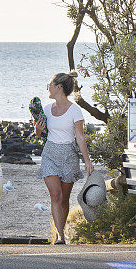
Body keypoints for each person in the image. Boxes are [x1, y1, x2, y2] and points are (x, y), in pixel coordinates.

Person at [33, 71, 94, 244]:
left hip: (69, 156)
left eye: (50, 85)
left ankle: (60, 229)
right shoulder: (46, 109)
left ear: (59, 87)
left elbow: (80, 138)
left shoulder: (75, 110)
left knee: (64, 199)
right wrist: (37, 130)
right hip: (50, 154)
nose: (48, 88)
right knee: (56, 196)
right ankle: (60, 234)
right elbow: (40, 134)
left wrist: (87, 161)